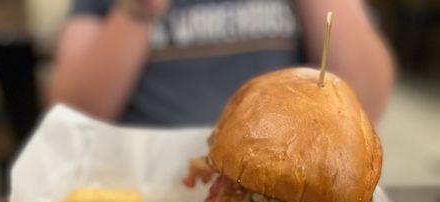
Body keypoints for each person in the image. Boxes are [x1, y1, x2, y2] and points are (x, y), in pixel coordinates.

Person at [50, 0, 394, 126]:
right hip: (145, 189)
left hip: (282, 176)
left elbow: (368, 101)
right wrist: (137, 11)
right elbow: (72, 116)